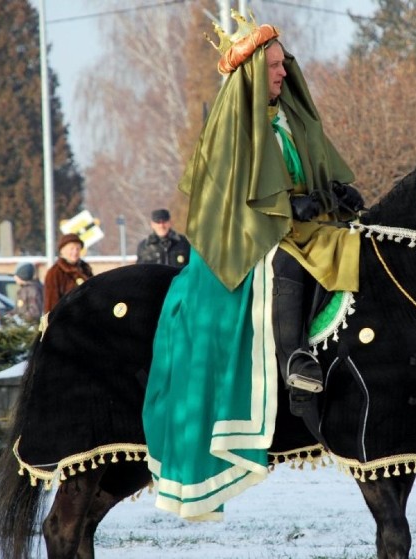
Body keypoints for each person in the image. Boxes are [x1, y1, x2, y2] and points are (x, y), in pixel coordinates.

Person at [142, 13, 364, 520]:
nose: (284, 74)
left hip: (303, 228)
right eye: (274, 68)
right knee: (289, 260)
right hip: (249, 245)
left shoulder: (289, 119)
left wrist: (332, 194)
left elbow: (308, 177)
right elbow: (231, 205)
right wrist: (288, 212)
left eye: (285, 65)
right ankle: (294, 361)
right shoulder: (232, 128)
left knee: (358, 248)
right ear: (249, 75)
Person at [43, 233, 93, 313]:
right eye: (72, 248)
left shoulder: (85, 269)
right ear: (62, 250)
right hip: (67, 320)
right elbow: (52, 303)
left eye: (78, 249)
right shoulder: (55, 272)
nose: (75, 252)